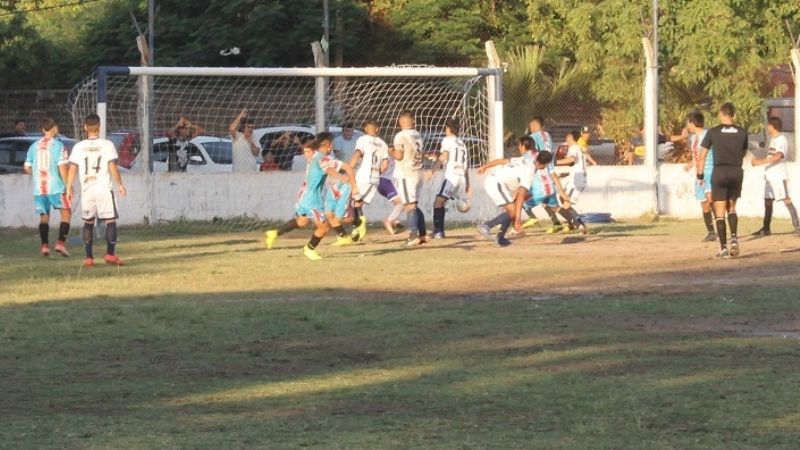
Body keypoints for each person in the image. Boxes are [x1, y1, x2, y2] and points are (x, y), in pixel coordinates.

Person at [263, 133, 357, 260]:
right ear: (330, 145)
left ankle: (274, 233)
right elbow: (335, 168)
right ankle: (309, 249)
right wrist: (345, 179)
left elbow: (326, 168)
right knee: (324, 227)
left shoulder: (316, 156)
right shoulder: (322, 159)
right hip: (312, 200)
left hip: (303, 195)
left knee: (302, 221)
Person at [66, 114, 127, 266]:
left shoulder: (78, 147)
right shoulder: (107, 145)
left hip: (87, 189)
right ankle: (110, 254)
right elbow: (112, 167)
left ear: (85, 127)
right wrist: (120, 184)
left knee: (88, 222)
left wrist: (68, 188)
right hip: (103, 188)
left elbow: (72, 169)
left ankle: (89, 258)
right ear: (99, 127)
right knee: (110, 221)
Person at [698, 103, 748, 259]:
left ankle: (724, 248)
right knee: (731, 207)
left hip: (719, 172)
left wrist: (700, 175)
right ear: (734, 115)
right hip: (736, 171)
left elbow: (702, 156)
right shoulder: (742, 132)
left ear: (721, 114)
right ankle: (734, 239)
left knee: (719, 212)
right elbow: (743, 152)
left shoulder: (713, 132)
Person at [23, 118, 71, 257]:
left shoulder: (33, 146)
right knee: (66, 213)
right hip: (56, 186)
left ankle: (44, 246)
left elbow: (27, 168)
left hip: (40, 188)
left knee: (44, 217)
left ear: (43, 130)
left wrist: (37, 174)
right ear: (55, 128)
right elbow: (62, 167)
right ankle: (60, 243)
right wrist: (68, 185)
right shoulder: (58, 145)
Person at [750, 117, 800, 236]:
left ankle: (798, 226)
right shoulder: (773, 139)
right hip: (770, 176)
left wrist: (760, 162)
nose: (767, 128)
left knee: (786, 200)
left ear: (772, 126)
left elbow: (779, 155)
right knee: (767, 201)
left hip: (779, 175)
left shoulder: (781, 139)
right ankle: (766, 228)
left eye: (768, 126)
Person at [475, 151, 535, 246]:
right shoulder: (530, 172)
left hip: (495, 181)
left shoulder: (522, 160)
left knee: (511, 212)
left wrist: (485, 167)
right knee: (512, 212)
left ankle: (500, 238)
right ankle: (486, 226)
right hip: (495, 183)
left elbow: (500, 161)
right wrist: (517, 221)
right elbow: (520, 197)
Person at [525, 151, 587, 235]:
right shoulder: (548, 164)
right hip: (550, 190)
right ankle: (579, 225)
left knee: (520, 203)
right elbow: (555, 177)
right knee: (556, 208)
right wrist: (562, 193)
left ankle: (529, 219)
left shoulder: (531, 162)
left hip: (539, 192)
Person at [348, 119, 389, 242]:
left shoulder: (362, 139)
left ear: (365, 129)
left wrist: (349, 168)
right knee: (358, 203)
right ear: (377, 129)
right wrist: (376, 173)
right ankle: (357, 232)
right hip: (375, 178)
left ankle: (360, 226)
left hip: (363, 176)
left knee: (352, 201)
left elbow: (357, 154)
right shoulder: (383, 144)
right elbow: (385, 165)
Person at [391, 110, 427, 246]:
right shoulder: (417, 134)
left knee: (409, 205)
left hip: (407, 173)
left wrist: (390, 151)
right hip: (418, 172)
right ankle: (422, 235)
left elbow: (399, 156)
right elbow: (422, 153)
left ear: (399, 121)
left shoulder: (400, 136)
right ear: (413, 121)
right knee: (413, 204)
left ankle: (413, 236)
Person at [431, 118, 471, 238]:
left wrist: (432, 170)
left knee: (438, 202)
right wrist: (468, 184)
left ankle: (438, 231)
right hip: (461, 177)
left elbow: (445, 155)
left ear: (448, 128)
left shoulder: (447, 140)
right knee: (441, 202)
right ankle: (440, 231)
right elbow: (465, 165)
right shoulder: (462, 143)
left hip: (452, 177)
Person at [681, 112, 717, 242]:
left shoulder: (708, 135)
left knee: (712, 201)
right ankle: (711, 232)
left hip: (709, 171)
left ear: (692, 123)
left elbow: (708, 154)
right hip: (698, 174)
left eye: (688, 123)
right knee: (704, 203)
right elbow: (697, 155)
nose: (687, 126)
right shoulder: (693, 138)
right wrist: (690, 165)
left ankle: (721, 226)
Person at [555, 130, 590, 233]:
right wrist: (566, 174)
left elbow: (572, 159)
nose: (566, 139)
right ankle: (572, 224)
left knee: (566, 203)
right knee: (563, 198)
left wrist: (556, 162)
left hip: (577, 181)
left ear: (571, 138)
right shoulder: (577, 147)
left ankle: (580, 225)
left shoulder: (573, 147)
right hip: (578, 179)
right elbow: (576, 165)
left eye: (567, 137)